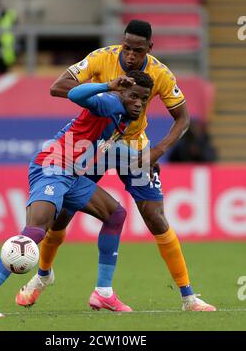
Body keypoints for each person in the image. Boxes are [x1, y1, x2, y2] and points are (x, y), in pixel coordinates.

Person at [16, 20, 216, 312]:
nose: (131, 56)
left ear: (150, 48)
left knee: (156, 218)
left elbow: (183, 118)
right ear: (121, 44)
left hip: (134, 149)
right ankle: (42, 276)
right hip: (96, 145)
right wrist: (102, 95)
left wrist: (157, 151)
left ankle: (188, 297)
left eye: (138, 50)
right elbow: (59, 87)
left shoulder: (159, 73)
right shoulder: (102, 58)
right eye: (127, 48)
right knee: (62, 215)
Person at [0, 71, 154, 317]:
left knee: (115, 214)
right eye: (133, 96)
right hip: (53, 167)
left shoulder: (125, 116)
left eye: (144, 98)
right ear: (122, 92)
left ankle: (104, 293)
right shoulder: (110, 102)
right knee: (35, 232)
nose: (139, 103)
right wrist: (108, 85)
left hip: (72, 175)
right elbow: (75, 93)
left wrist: (141, 158)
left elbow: (103, 146)